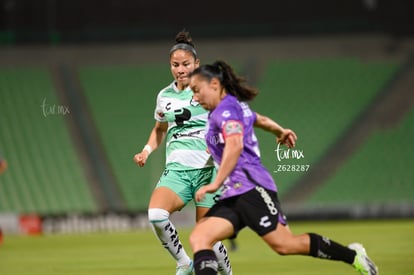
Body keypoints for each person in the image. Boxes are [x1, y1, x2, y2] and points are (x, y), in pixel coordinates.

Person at [187, 60, 379, 275]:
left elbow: (235, 144)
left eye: (197, 90)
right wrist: (280, 131)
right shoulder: (235, 107)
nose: (195, 97)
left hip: (251, 187)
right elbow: (261, 120)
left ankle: (354, 256)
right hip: (235, 192)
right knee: (200, 237)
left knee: (285, 245)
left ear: (214, 84)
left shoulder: (225, 110)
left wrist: (215, 183)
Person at [133, 30, 232, 275]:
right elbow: (159, 129)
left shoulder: (210, 90)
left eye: (185, 64)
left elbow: (229, 122)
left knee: (206, 236)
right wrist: (146, 151)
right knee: (156, 215)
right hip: (177, 171)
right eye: (175, 65)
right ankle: (184, 262)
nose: (180, 69)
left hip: (208, 172)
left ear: (196, 64)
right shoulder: (164, 96)